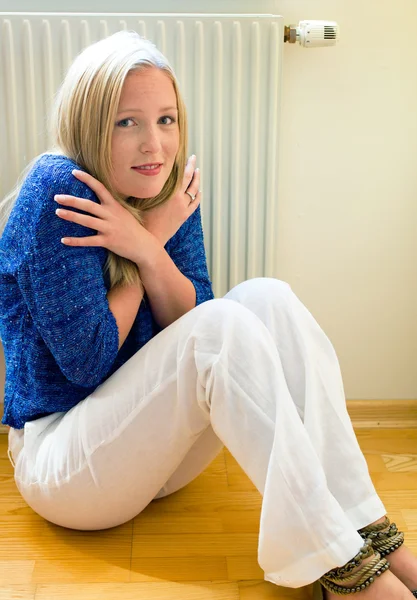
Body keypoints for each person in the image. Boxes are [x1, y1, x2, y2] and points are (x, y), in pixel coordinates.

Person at [0, 30, 415, 600]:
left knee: (266, 298)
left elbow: (189, 322)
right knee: (222, 325)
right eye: (128, 122)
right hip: (64, 463)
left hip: (147, 457)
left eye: (166, 120)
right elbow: (87, 363)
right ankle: (340, 571)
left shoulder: (164, 189)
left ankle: (368, 529)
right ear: (91, 123)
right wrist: (147, 241)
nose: (155, 145)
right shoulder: (59, 192)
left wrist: (147, 245)